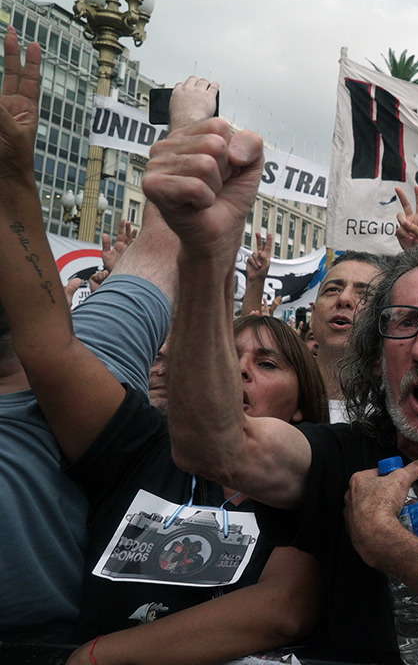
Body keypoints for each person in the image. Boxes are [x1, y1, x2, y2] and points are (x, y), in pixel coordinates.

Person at [145, 108, 418, 662]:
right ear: (377, 356)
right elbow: (209, 446)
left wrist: (393, 548)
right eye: (403, 322)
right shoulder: (344, 453)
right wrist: (203, 255)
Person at [0, 41, 322, 661]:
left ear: (305, 412)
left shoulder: (318, 480)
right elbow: (49, 347)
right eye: (231, 355)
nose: (240, 371)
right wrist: (12, 184)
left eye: (268, 363)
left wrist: (92, 658)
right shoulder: (143, 445)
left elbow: (283, 609)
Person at [310, 249, 390, 421]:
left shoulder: (396, 414)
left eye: (364, 295)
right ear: (313, 315)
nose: (344, 298)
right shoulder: (278, 395)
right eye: (333, 289)